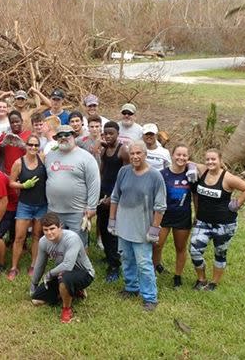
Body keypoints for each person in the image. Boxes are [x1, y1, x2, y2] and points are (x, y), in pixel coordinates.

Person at [108, 140, 167, 312]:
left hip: (142, 228)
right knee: (126, 259)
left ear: (145, 154)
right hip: (124, 226)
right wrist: (112, 221)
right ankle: (131, 287)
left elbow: (160, 206)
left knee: (144, 263)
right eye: (132, 153)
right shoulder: (124, 171)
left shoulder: (155, 176)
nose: (134, 157)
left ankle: (150, 297)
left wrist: (154, 229)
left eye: (138, 153)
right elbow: (115, 197)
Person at [190, 149, 245, 291]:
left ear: (220, 160)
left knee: (220, 252)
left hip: (224, 224)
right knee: (194, 250)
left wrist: (237, 204)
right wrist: (190, 168)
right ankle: (201, 279)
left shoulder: (227, 177)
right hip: (203, 222)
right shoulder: (203, 170)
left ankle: (213, 283)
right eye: (207, 159)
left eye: (213, 159)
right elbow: (186, 162)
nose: (210, 162)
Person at [30, 213, 95, 324]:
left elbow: (68, 265)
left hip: (84, 273)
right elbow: (40, 265)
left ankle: (66, 310)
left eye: (52, 229)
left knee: (64, 277)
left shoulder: (72, 238)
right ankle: (73, 292)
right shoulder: (43, 242)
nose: (49, 233)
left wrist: (49, 274)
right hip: (61, 273)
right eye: (46, 230)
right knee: (36, 299)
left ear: (60, 227)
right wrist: (34, 285)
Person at [45, 125, 100, 247]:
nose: (63, 138)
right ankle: (62, 266)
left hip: (77, 211)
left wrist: (92, 207)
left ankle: (80, 266)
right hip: (54, 210)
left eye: (67, 135)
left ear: (74, 136)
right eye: (60, 136)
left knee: (79, 244)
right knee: (57, 244)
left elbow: (94, 183)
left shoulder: (86, 157)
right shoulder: (50, 156)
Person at [153, 144, 195, 288]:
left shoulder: (191, 175)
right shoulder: (162, 174)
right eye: (178, 154)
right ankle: (155, 267)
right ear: (172, 155)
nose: (181, 158)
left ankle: (178, 276)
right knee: (157, 245)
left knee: (180, 247)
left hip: (182, 216)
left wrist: (198, 213)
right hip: (163, 215)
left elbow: (195, 196)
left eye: (184, 155)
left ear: (188, 158)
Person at [8, 134, 47, 280]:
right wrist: (23, 185)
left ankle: (34, 265)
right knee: (19, 237)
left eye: (36, 145)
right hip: (25, 205)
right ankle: (14, 267)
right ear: (26, 145)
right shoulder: (19, 163)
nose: (33, 148)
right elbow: (11, 182)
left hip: (42, 204)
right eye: (30, 145)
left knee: (37, 236)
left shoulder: (43, 159)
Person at [96, 121, 129, 282]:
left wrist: (114, 197)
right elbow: (102, 172)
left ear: (117, 134)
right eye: (106, 133)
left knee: (112, 230)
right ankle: (109, 255)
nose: (108, 136)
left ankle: (115, 266)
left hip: (116, 197)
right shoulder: (104, 150)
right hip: (103, 194)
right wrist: (99, 193)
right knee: (102, 227)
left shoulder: (123, 151)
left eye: (111, 133)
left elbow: (127, 176)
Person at [0, 111, 31, 175]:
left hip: (24, 171)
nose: (15, 124)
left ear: (21, 121)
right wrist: (2, 144)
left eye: (17, 121)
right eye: (12, 122)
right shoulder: (5, 135)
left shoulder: (29, 135)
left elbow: (34, 154)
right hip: (8, 172)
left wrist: (23, 146)